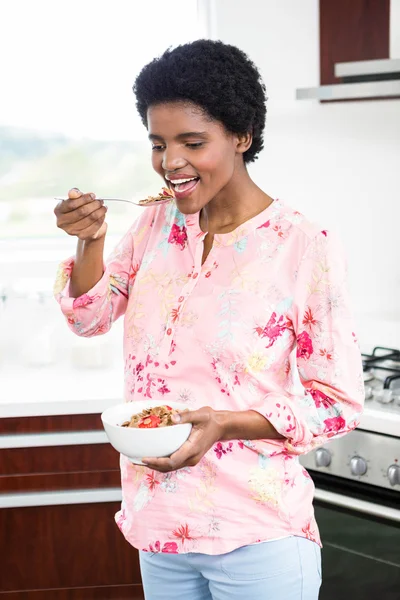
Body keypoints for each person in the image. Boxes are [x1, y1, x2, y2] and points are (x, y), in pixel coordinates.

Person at [54, 39, 364, 600]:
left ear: (241, 136)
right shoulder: (153, 225)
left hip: (258, 532)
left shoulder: (302, 245)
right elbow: (88, 316)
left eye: (192, 143)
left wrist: (224, 422)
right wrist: (90, 241)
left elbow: (336, 403)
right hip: (162, 530)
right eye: (158, 143)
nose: (171, 162)